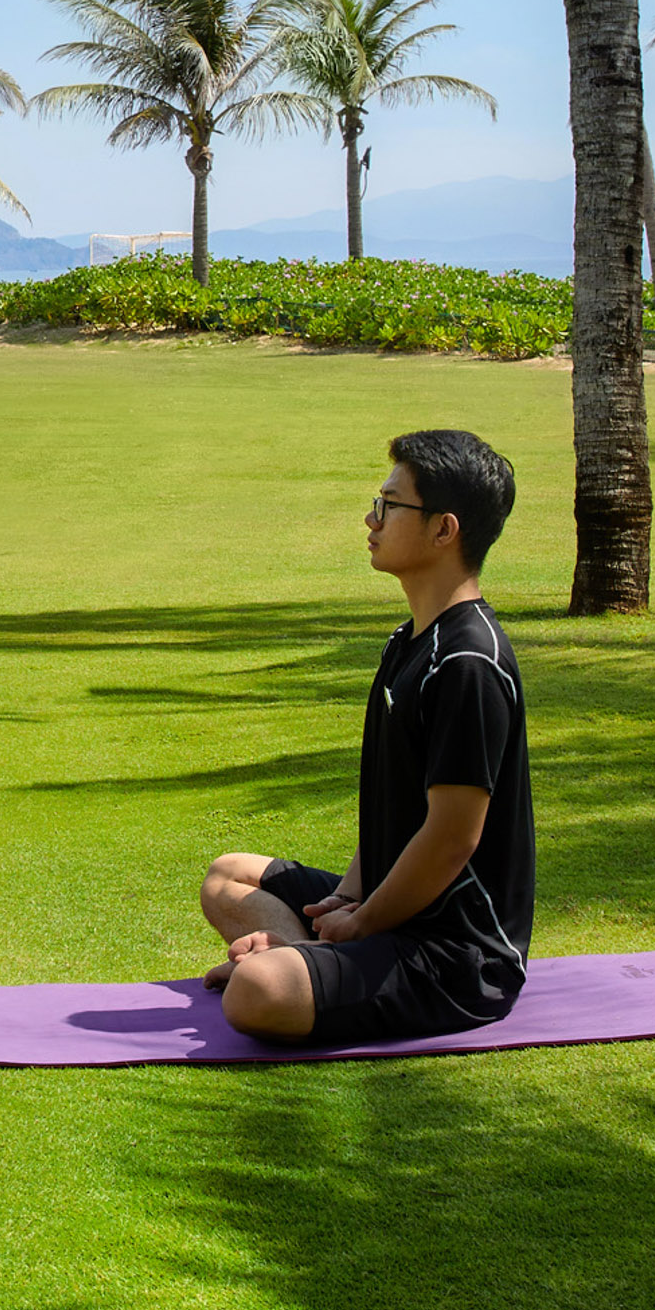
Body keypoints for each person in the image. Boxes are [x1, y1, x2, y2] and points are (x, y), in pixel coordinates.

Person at [195, 429, 533, 1046]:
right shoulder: (408, 643)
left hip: (456, 956)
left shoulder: (467, 665)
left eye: (389, 505)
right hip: (391, 907)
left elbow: (453, 838)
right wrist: (347, 898)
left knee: (256, 993)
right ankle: (297, 953)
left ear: (443, 529)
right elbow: (395, 806)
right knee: (229, 876)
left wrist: (366, 920)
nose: (371, 519)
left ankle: (286, 965)